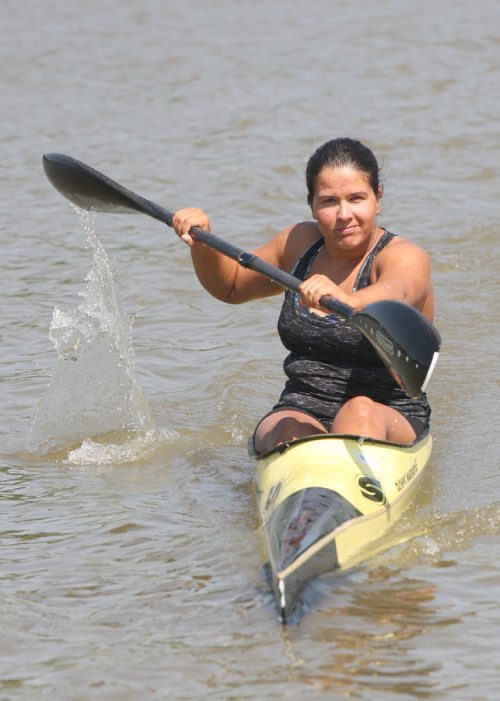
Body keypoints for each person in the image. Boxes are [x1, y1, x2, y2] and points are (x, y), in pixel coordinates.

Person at [172, 137, 434, 455]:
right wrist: (203, 244)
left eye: (356, 198)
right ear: (311, 204)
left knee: (358, 412)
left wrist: (347, 300)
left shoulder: (401, 255)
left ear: (377, 199)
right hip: (302, 406)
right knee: (285, 430)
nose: (344, 215)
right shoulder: (299, 243)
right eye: (328, 201)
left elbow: (400, 290)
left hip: (387, 413)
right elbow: (231, 285)